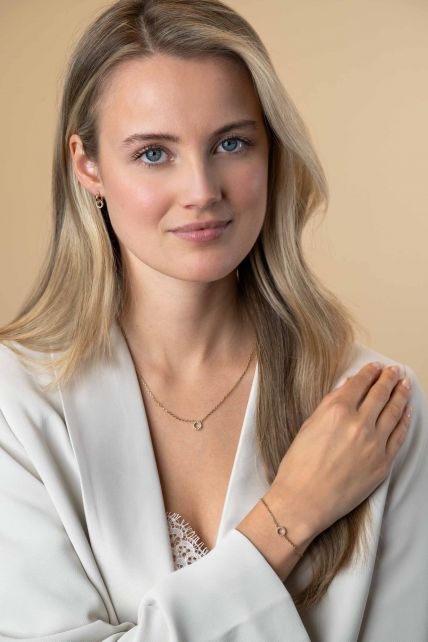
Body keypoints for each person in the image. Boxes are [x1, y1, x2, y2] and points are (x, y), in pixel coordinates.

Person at [0, 0, 427, 639]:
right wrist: (290, 516)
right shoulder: (15, 403)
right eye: (153, 153)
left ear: (271, 149)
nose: (202, 190)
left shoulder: (373, 406)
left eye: (231, 143)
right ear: (88, 165)